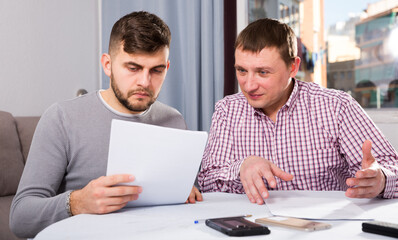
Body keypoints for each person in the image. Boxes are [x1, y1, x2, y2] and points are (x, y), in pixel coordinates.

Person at [10, 11, 202, 238]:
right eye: (133, 68)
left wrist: (185, 192)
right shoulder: (61, 118)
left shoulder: (174, 121)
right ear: (107, 64)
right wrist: (77, 202)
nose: (144, 81)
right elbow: (19, 218)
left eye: (156, 70)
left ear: (167, 68)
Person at [198, 18, 398, 205]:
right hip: (252, 226)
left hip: (323, 226)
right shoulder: (227, 110)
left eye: (263, 72)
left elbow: (392, 169)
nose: (248, 86)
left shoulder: (337, 107)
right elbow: (206, 182)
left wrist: (380, 180)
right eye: (242, 70)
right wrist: (240, 167)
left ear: (293, 67)